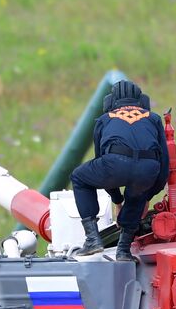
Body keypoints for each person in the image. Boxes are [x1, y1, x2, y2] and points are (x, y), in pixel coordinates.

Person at [70, 79, 168, 260]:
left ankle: (92, 239)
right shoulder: (154, 119)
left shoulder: (104, 119)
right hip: (148, 168)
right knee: (137, 191)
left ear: (111, 101)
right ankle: (123, 250)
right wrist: (147, 195)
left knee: (79, 177)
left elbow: (101, 160)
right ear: (141, 101)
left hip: (115, 163)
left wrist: (117, 200)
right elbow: (164, 166)